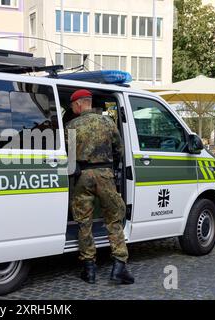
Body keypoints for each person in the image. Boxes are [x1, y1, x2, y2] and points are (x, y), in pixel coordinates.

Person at [65, 89, 134, 285]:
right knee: (114, 218)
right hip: (105, 174)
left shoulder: (71, 126)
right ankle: (119, 266)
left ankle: (89, 269)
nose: (72, 108)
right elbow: (119, 150)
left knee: (83, 222)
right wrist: (111, 168)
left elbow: (69, 160)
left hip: (82, 177)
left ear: (79, 104)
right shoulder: (108, 122)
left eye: (72, 105)